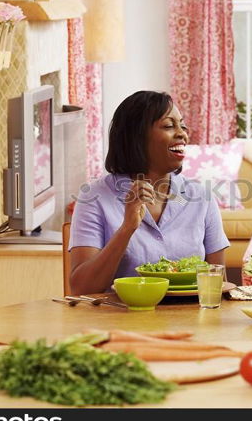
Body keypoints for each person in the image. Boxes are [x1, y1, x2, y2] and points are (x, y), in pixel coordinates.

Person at [68, 90, 229, 294]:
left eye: (183, 125)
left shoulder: (201, 197)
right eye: (169, 126)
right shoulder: (94, 197)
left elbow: (217, 285)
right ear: (136, 136)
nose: (182, 133)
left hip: (188, 320)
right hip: (121, 320)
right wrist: (127, 228)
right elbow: (82, 288)